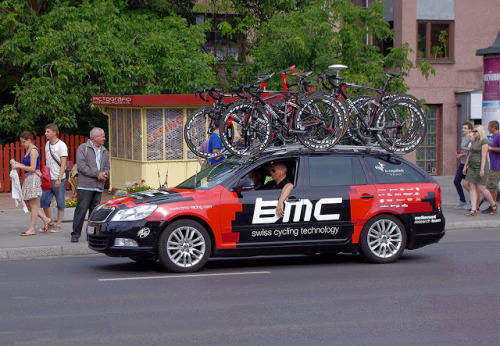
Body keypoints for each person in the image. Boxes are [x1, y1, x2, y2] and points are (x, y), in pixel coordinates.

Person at [71, 128, 110, 242]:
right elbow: (81, 166)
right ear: (96, 138)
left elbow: (107, 166)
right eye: (102, 136)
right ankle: (75, 235)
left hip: (98, 186)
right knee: (81, 210)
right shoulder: (83, 148)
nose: (104, 138)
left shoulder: (104, 151)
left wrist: (104, 174)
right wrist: (97, 174)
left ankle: (91, 235)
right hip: (85, 185)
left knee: (94, 212)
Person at [11, 131, 52, 236]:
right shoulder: (28, 149)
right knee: (28, 204)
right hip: (28, 178)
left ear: (29, 140)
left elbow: (33, 168)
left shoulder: (33, 151)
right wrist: (18, 164)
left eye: (23, 142)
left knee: (33, 205)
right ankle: (46, 219)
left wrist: (19, 166)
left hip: (33, 178)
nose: (22, 144)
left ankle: (32, 229)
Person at [39, 123, 68, 233]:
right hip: (48, 178)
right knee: (44, 201)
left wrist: (59, 178)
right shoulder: (47, 144)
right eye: (45, 131)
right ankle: (50, 222)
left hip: (58, 177)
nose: (46, 133)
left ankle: (58, 225)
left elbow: (63, 162)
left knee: (60, 201)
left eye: (48, 131)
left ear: (55, 132)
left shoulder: (61, 145)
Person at [463, 125, 497, 216]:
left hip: (480, 166)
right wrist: (465, 166)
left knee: (481, 188)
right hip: (472, 166)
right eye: (473, 131)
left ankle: (493, 205)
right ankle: (473, 209)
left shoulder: (484, 141)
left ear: (480, 132)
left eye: (475, 131)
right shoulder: (474, 141)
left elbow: (483, 156)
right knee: (472, 187)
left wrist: (482, 169)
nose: (473, 133)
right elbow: (470, 154)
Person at [453, 122, 472, 209]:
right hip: (462, 163)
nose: (463, 129)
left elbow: (471, 151)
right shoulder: (463, 138)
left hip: (468, 164)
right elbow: (464, 151)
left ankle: (476, 200)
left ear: (470, 130)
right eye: (463, 128)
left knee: (468, 184)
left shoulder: (470, 139)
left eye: (465, 128)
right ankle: (462, 200)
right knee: (456, 181)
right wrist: (460, 154)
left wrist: (463, 154)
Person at [483, 120, 500, 213]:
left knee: (492, 186)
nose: (488, 128)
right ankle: (492, 205)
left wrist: (490, 148)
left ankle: (493, 206)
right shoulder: (493, 137)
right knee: (492, 186)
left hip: (497, 166)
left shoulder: (498, 136)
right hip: (493, 164)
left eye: (489, 126)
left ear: (493, 127)